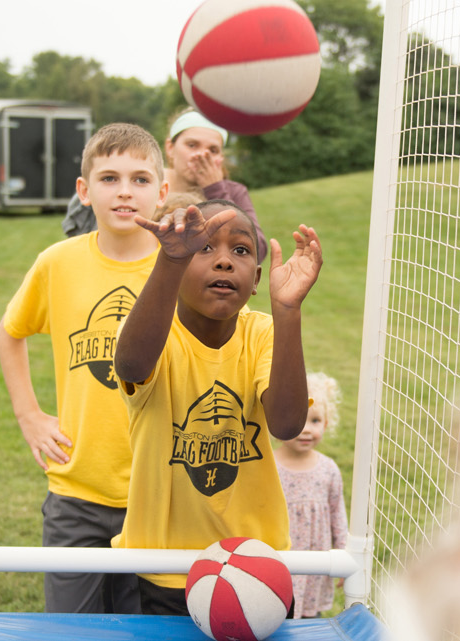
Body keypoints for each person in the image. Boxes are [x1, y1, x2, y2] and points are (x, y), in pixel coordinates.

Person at [113, 200, 322, 616]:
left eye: (241, 251)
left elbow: (285, 423)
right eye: (204, 248)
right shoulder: (152, 332)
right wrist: (171, 263)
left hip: (258, 566)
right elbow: (132, 365)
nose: (224, 261)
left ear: (257, 278)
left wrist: (288, 312)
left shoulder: (262, 332)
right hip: (162, 567)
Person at [0, 123, 169, 614]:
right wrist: (29, 415)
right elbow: (10, 332)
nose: (124, 192)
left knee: (146, 629)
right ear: (84, 191)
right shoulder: (58, 263)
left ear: (163, 190)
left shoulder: (179, 269)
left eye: (140, 179)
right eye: (109, 178)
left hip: (159, 492)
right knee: (74, 629)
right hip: (77, 490)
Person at [62, 108, 266, 259]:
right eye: (192, 145)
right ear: (170, 148)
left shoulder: (233, 192)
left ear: (221, 157)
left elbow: (257, 250)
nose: (201, 156)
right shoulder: (139, 187)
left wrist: (215, 189)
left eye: (212, 150)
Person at [274, 372, 348, 618]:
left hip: (314, 561)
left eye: (315, 421)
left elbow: (337, 514)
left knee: (308, 620)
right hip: (277, 559)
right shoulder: (268, 466)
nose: (305, 430)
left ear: (326, 424)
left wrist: (343, 555)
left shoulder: (328, 469)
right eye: (298, 420)